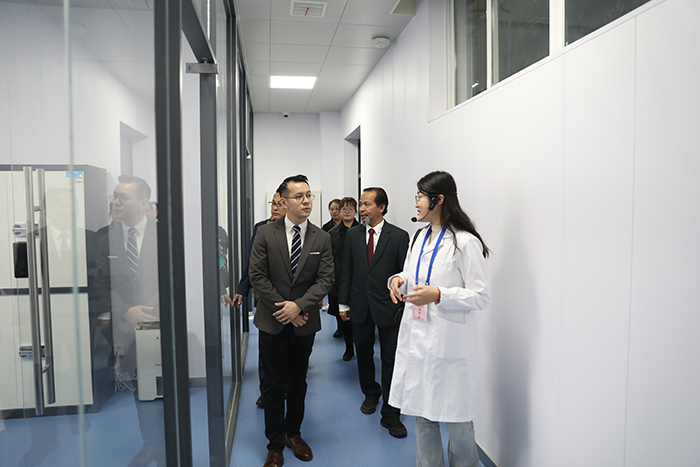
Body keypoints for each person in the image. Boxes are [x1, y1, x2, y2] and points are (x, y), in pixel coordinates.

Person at [388, 171, 491, 467]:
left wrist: (439, 295)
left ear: (439, 199)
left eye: (420, 197)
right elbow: (411, 274)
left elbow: (480, 296)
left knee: (458, 423)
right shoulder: (419, 236)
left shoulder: (465, 242)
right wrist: (397, 279)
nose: (416, 203)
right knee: (423, 418)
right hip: (418, 340)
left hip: (449, 345)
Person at [249, 174, 334, 467]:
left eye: (309, 195)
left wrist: (298, 307)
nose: (306, 201)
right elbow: (257, 276)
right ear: (284, 202)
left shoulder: (321, 237)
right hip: (272, 321)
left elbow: (326, 279)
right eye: (299, 196)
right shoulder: (265, 233)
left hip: (304, 321)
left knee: (298, 381)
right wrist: (284, 309)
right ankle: (274, 445)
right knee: (273, 385)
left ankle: (293, 433)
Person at [95, 175, 163, 467]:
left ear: (143, 202)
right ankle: (152, 445)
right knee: (141, 386)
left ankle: (172, 445)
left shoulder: (166, 235)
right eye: (115, 196)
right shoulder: (104, 240)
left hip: (162, 323)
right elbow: (101, 283)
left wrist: (147, 311)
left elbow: (177, 277)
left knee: (166, 387)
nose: (116, 202)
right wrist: (125, 311)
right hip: (127, 327)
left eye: (123, 197)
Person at [338, 187, 409, 438]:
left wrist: (403, 306)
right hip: (359, 305)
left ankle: (391, 412)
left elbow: (405, 274)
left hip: (389, 307)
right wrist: (343, 304)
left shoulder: (399, 236)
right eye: (361, 204)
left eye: (367, 204)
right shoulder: (354, 235)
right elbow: (347, 270)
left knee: (391, 359)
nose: (362, 209)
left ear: (382, 207)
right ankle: (370, 392)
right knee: (364, 353)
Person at [229, 187, 288, 408]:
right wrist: (242, 288)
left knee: (290, 346)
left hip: (292, 300)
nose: (275, 208)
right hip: (265, 297)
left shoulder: (299, 231)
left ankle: (286, 387)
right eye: (273, 203)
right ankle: (267, 391)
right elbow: (251, 263)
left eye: (280, 204)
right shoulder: (261, 228)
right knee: (267, 348)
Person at [327, 197, 360, 361]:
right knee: (344, 317)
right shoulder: (332, 234)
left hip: (359, 280)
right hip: (339, 280)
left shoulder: (362, 231)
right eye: (344, 209)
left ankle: (361, 348)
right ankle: (348, 349)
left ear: (356, 211)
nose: (347, 212)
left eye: (350, 209)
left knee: (359, 317)